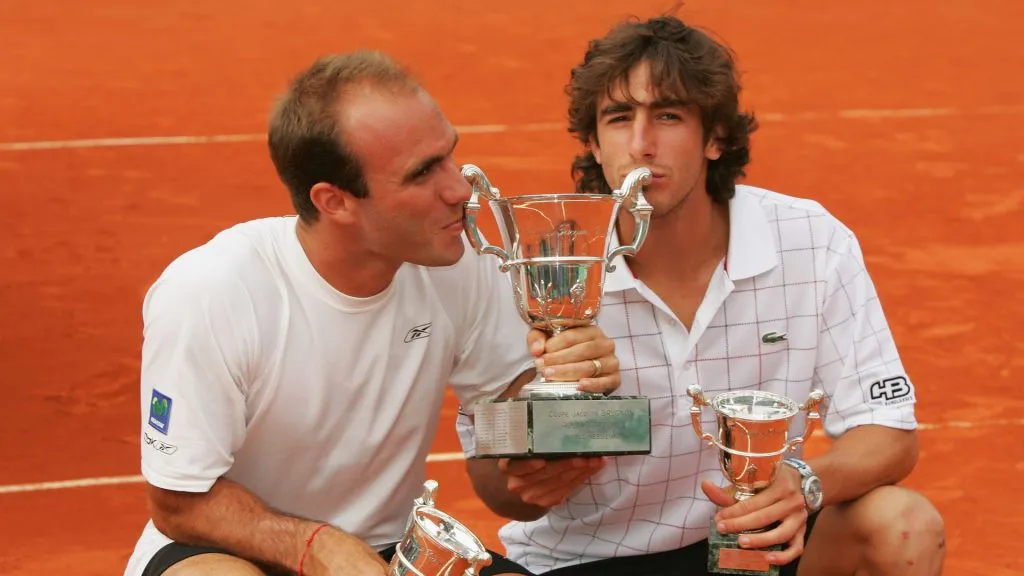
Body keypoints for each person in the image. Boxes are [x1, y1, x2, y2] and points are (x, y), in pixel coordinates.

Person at [459, 15, 947, 576]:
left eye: (668, 115)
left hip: (755, 544)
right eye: (619, 119)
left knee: (902, 523)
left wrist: (805, 482)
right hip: (589, 558)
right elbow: (493, 483)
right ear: (593, 143)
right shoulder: (540, 268)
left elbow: (889, 431)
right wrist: (533, 466)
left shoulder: (810, 240)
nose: (641, 144)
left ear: (716, 137)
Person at [122, 50, 619, 576]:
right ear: (334, 202)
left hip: (389, 552)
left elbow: (504, 471)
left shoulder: (456, 262)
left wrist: (565, 400)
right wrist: (315, 546)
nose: (460, 190)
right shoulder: (212, 291)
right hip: (228, 554)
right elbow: (177, 502)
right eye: (422, 173)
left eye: (450, 155)